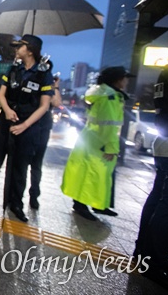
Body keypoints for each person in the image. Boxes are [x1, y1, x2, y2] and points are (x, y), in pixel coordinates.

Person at [0, 34, 54, 223]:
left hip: (28, 127)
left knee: (20, 168)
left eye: (20, 46)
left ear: (30, 50)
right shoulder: (13, 69)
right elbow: (2, 95)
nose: (16, 49)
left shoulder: (44, 73)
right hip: (5, 123)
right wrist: (7, 110)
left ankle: (16, 205)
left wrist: (25, 125)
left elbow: (44, 106)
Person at [60, 66, 132, 221]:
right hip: (101, 143)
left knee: (91, 173)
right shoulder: (110, 97)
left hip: (91, 138)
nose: (127, 81)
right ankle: (82, 205)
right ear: (118, 80)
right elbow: (109, 125)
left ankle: (97, 204)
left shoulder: (102, 93)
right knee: (92, 174)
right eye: (125, 78)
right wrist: (112, 148)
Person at [134, 63, 168, 291]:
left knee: (158, 199)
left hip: (164, 142)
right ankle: (155, 262)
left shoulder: (166, 70)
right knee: (167, 205)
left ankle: (143, 254)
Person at [28, 61, 62, 209]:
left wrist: (55, 85)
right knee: (21, 163)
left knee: (36, 163)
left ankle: (34, 195)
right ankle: (15, 196)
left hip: (43, 127)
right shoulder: (29, 78)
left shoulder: (49, 83)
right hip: (28, 124)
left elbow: (56, 102)